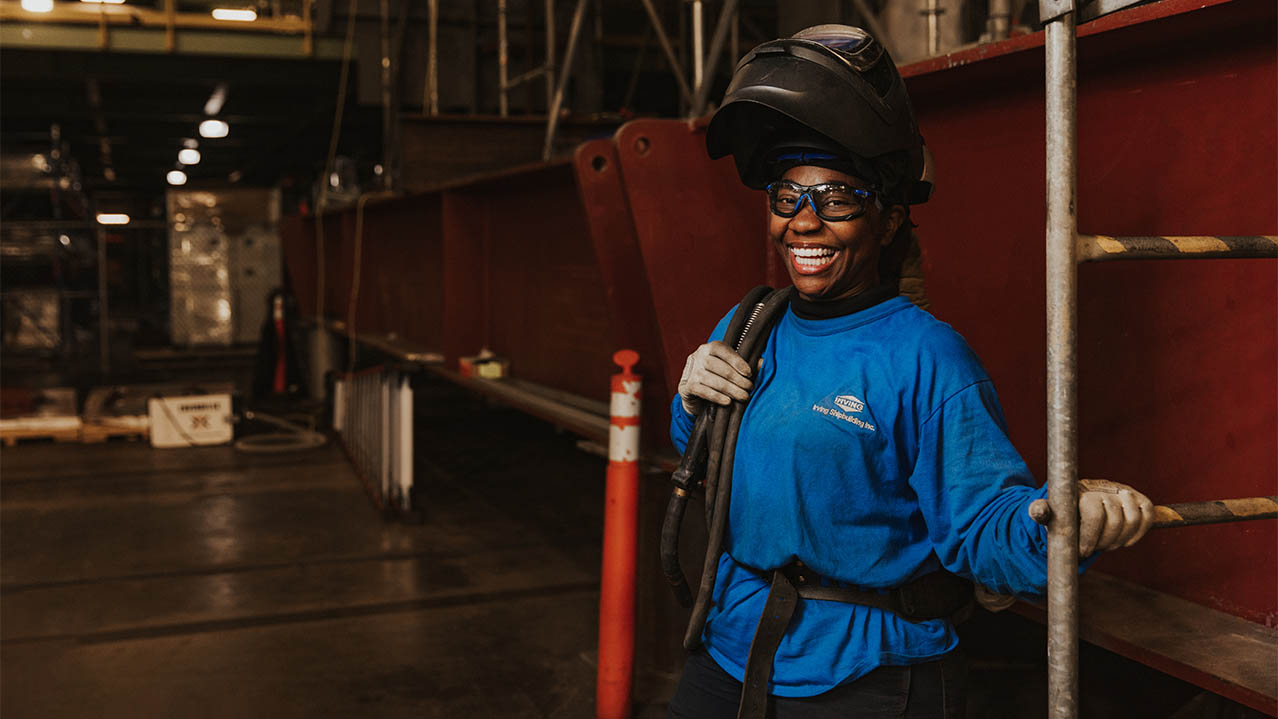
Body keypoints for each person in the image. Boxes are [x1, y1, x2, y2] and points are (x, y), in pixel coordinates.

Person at [667, 25, 1154, 719]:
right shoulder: (749, 326)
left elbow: (984, 527)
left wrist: (1065, 516)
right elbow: (701, 453)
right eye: (787, 197)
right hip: (732, 650)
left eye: (835, 199)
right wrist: (691, 393)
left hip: (868, 674)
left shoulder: (927, 357)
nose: (803, 223)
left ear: (888, 220)